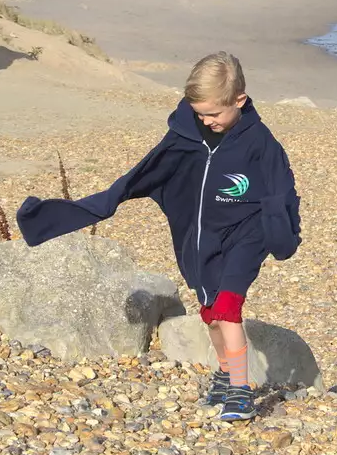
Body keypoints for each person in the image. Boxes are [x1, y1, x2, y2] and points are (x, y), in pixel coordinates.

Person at [16, 52, 302, 422]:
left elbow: (282, 192)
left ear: (240, 101)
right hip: (200, 240)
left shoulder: (261, 143)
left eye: (215, 114)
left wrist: (282, 236)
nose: (207, 121)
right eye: (200, 113)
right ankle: (225, 373)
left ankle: (241, 390)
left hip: (247, 236)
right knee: (213, 315)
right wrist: (99, 204)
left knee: (229, 309)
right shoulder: (185, 135)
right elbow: (143, 174)